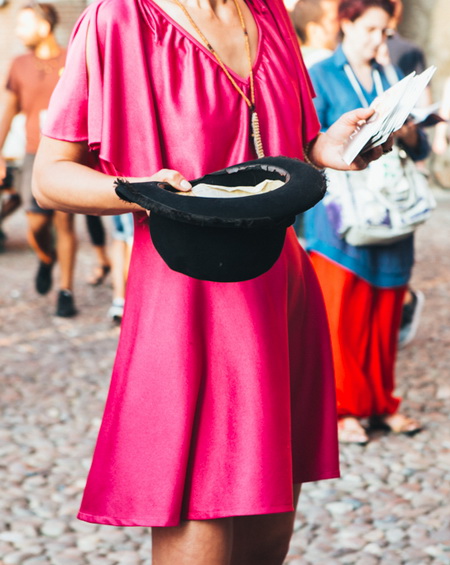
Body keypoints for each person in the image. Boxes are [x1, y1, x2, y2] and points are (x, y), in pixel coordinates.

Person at [32, 0, 392, 561]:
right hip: (186, 297)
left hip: (279, 286)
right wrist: (140, 189)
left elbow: (288, 150)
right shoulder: (121, 18)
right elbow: (49, 179)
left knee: (267, 540)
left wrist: (333, 147)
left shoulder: (268, 12)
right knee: (201, 530)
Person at [305, 0, 427, 445]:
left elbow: (421, 151)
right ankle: (342, 411)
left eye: (386, 32)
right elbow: (307, 146)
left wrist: (411, 132)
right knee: (343, 317)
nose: (380, 40)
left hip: (390, 210)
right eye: (372, 29)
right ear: (347, 23)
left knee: (385, 312)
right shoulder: (321, 75)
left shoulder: (393, 76)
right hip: (341, 218)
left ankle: (381, 403)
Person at [0, 3, 77, 317]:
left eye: (25, 24)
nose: (19, 31)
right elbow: (8, 110)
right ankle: (46, 258)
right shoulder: (18, 64)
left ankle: (66, 290)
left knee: (65, 221)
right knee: (37, 223)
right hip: (35, 152)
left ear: (44, 27)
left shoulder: (71, 57)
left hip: (71, 152)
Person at [292, 0, 339, 67]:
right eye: (333, 21)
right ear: (314, 30)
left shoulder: (299, 63)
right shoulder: (325, 60)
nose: (341, 24)